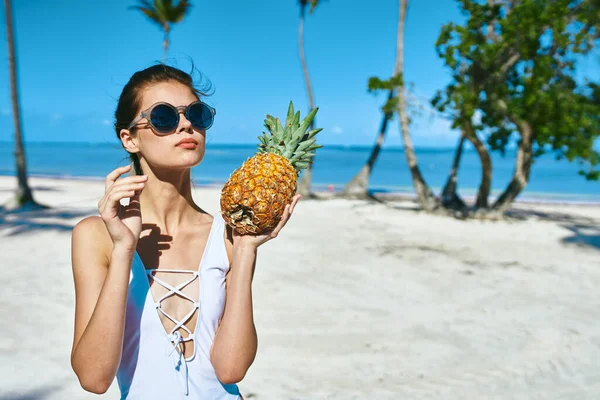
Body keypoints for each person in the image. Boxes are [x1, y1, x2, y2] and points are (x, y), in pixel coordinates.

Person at [70, 64, 300, 399]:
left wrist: (247, 250)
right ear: (130, 138)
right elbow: (94, 378)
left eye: (197, 113)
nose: (186, 124)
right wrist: (123, 250)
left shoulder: (231, 234)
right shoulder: (96, 235)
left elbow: (230, 369)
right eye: (164, 117)